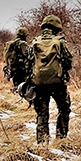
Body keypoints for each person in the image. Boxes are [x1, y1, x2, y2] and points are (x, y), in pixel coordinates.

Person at [29, 15, 72, 144]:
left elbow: (29, 62)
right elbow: (68, 62)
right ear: (56, 28)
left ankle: (43, 143)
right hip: (58, 83)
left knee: (42, 113)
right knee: (64, 108)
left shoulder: (35, 41)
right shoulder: (60, 42)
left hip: (39, 84)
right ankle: (61, 138)